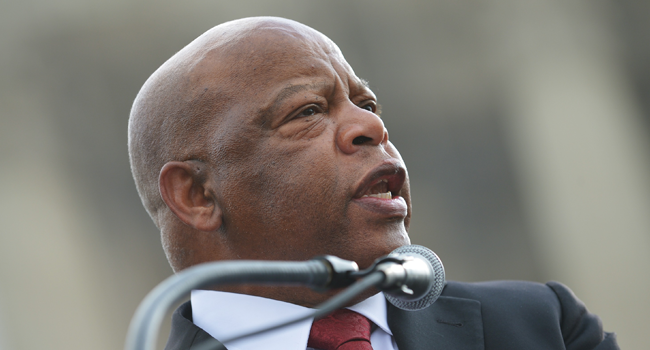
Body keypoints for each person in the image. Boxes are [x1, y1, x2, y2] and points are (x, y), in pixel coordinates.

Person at [128, 16, 619, 350]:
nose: (371, 128)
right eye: (308, 111)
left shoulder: (541, 327)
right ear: (197, 195)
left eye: (366, 105)